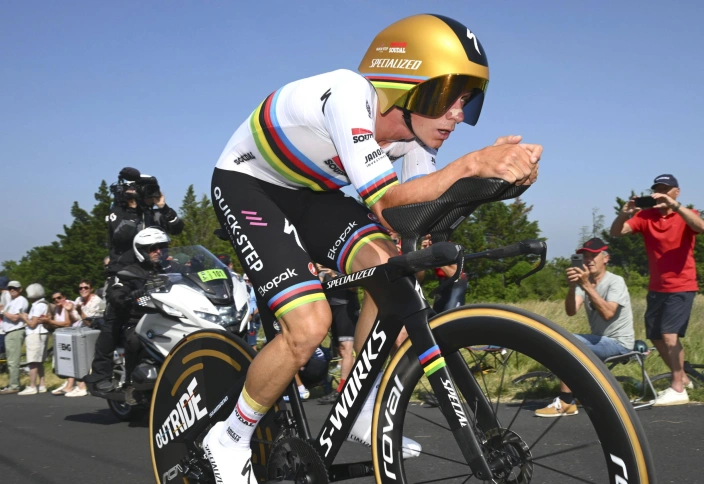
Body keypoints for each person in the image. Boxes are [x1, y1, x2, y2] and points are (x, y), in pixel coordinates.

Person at [204, 14, 540, 481]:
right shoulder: (348, 96)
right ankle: (229, 437)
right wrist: (472, 164)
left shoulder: (414, 139)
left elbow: (415, 220)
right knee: (309, 325)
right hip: (250, 186)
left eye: (468, 101)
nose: (458, 115)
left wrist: (488, 180)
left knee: (394, 270)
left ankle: (359, 405)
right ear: (407, 83)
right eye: (449, 97)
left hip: (313, 193)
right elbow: (388, 204)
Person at [609, 174, 704, 406]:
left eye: (666, 190)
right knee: (655, 335)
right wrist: (625, 213)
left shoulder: (687, 214)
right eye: (657, 190)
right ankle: (682, 377)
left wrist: (675, 206)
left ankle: (677, 388)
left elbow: (701, 227)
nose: (660, 194)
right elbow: (616, 232)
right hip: (657, 286)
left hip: (682, 284)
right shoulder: (646, 216)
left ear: (677, 192)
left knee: (669, 335)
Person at [88, 168, 184, 392]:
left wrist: (161, 205)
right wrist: (134, 207)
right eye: (139, 188)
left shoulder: (152, 212)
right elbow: (122, 234)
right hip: (122, 274)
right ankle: (100, 374)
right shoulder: (117, 210)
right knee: (115, 319)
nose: (142, 192)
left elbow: (178, 228)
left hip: (152, 273)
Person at [535, 238, 635, 417]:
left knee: (567, 343)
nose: (589, 260)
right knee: (561, 340)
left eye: (593, 256)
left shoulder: (615, 282)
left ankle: (566, 401)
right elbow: (571, 310)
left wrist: (586, 286)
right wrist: (573, 287)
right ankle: (576, 395)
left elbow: (608, 313)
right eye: (585, 256)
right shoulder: (584, 283)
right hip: (601, 341)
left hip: (619, 343)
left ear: (605, 258)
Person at [108, 227, 176, 404]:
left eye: (161, 247)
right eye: (153, 248)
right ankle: (130, 383)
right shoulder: (130, 272)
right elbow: (116, 294)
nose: (158, 251)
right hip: (139, 320)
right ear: (141, 250)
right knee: (135, 340)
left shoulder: (169, 268)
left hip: (168, 316)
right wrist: (129, 296)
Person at [315, 263, 360, 405]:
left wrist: (334, 275)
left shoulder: (344, 265)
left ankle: (343, 390)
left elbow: (354, 288)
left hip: (346, 307)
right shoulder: (324, 265)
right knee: (341, 350)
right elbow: (318, 286)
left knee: (346, 349)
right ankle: (347, 387)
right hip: (332, 307)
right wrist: (317, 273)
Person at [54, 281, 101, 396]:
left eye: (86, 287)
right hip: (82, 332)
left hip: (94, 331)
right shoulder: (78, 300)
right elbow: (75, 320)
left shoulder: (97, 301)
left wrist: (79, 311)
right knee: (78, 358)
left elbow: (90, 322)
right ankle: (79, 385)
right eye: (80, 288)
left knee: (88, 358)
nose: (83, 290)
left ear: (91, 289)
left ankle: (83, 386)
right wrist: (70, 311)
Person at [18, 285, 59, 395]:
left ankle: (32, 386)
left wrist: (24, 318)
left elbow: (32, 324)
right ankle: (42, 384)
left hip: (35, 334)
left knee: (33, 361)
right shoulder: (43, 304)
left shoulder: (37, 306)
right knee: (40, 361)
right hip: (42, 334)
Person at [0, 281, 29, 394]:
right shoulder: (12, 302)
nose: (12, 290)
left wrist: (2, 311)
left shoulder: (21, 300)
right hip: (9, 332)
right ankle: (12, 383)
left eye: (15, 288)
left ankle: (14, 385)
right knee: (11, 360)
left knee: (13, 360)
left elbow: (15, 318)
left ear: (20, 289)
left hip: (15, 331)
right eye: (10, 288)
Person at [243, 274, 260, 346]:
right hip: (245, 319)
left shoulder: (255, 290)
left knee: (251, 343)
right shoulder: (244, 289)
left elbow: (260, 306)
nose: (247, 282)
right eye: (245, 280)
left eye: (249, 280)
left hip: (252, 318)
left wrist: (252, 315)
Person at [0, 276, 10, 362]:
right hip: (3, 325)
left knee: (2, 349)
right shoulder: (7, 294)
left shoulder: (5, 295)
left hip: (4, 327)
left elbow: (4, 309)